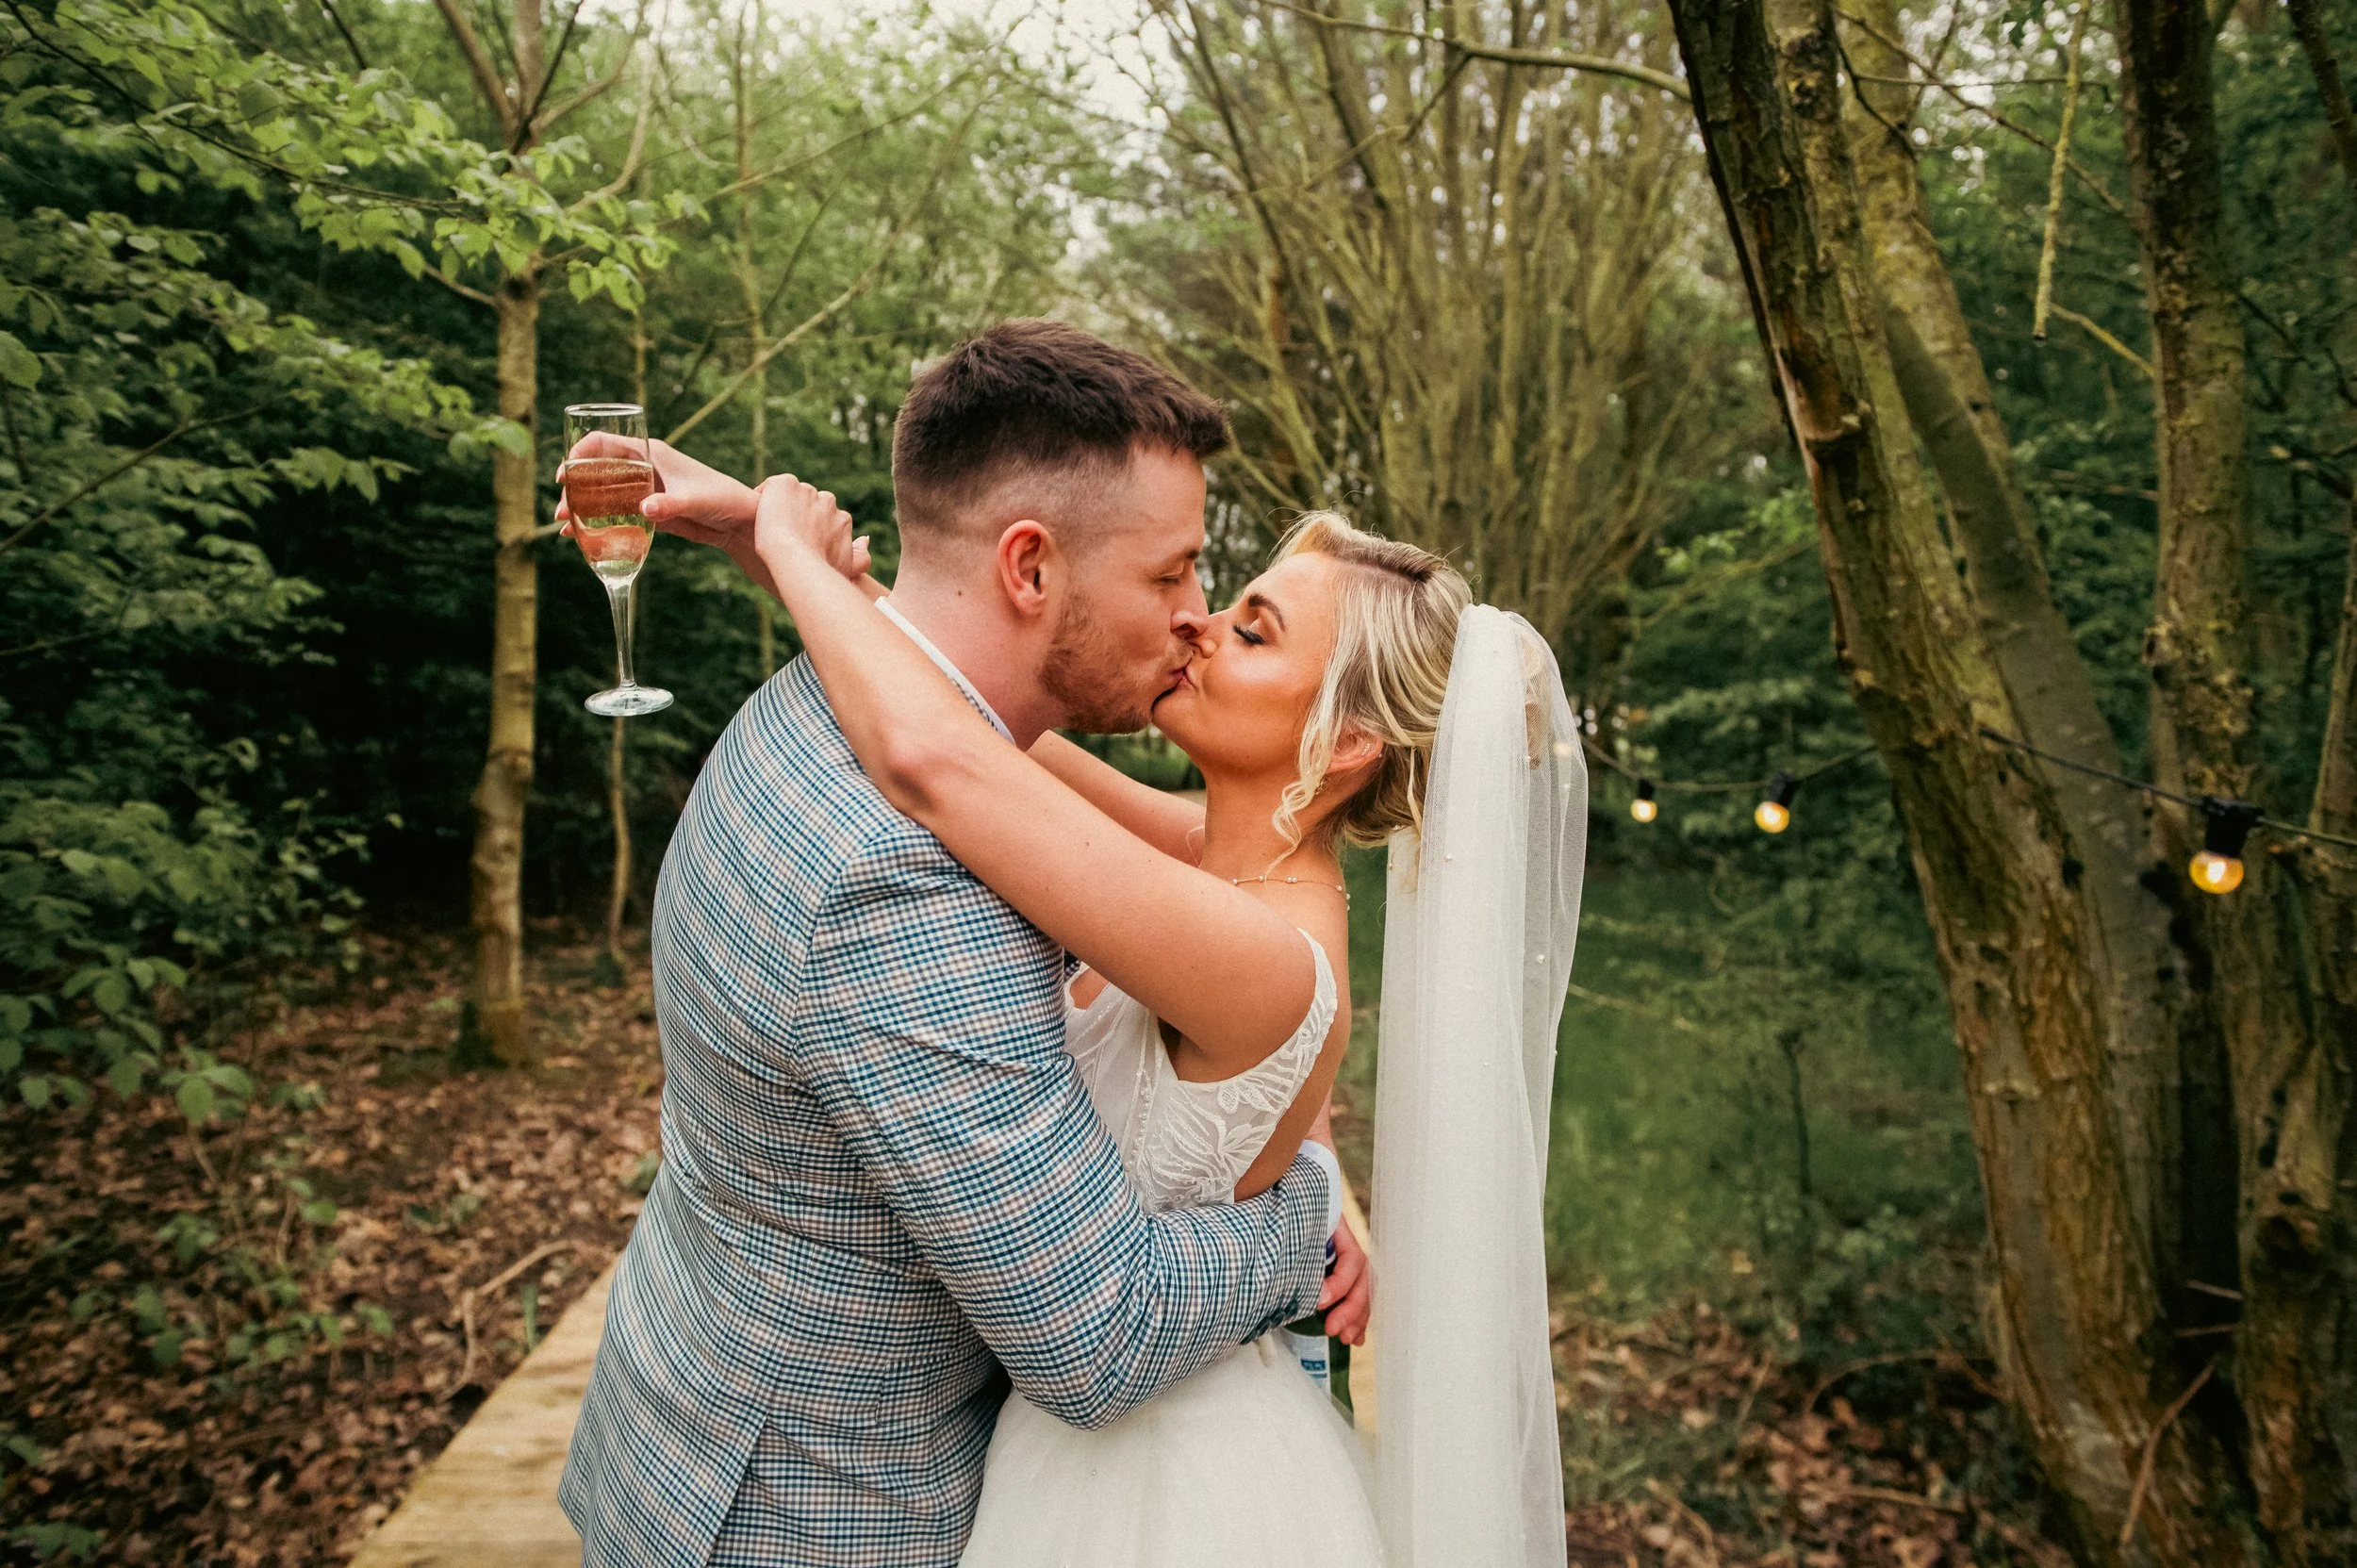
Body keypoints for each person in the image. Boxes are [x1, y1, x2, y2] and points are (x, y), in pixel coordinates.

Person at [557, 322, 1368, 1568]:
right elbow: (1097, 1335)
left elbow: (972, 751)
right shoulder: (904, 877)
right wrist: (1304, 1211)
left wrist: (786, 558)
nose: (1195, 618)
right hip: (802, 1507)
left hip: (693, 1403)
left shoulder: (821, 692)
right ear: (1031, 568)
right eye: (1173, 576)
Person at [747, 469, 1470, 1565]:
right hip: (1068, 1437)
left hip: (1155, 1481)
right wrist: (777, 551)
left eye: (1254, 633)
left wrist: (789, 556)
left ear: (1345, 743)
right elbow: (981, 718)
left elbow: (938, 761)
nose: (1199, 625)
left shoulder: (1257, 954)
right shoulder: (1212, 860)